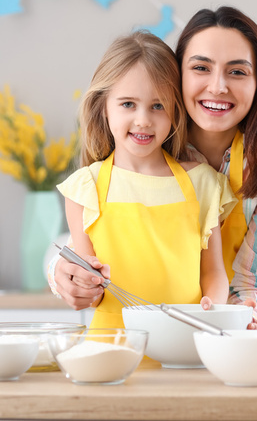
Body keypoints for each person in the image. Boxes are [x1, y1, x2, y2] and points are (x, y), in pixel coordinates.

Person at [50, 7, 257, 359]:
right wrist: (61, 274)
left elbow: (256, 278)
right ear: (177, 77)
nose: (217, 86)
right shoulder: (152, 141)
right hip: (205, 329)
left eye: (237, 71)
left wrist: (235, 322)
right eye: (201, 67)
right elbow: (98, 238)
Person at [55, 31, 235, 328]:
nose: (143, 120)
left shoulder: (203, 183)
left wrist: (212, 309)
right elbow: (95, 292)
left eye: (158, 105)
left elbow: (213, 272)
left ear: (175, 112)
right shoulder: (85, 188)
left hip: (185, 339)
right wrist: (85, 285)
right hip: (113, 346)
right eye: (128, 104)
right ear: (104, 107)